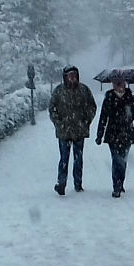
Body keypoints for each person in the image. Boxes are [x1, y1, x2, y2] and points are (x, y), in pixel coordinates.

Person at [48, 65, 97, 195]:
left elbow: (92, 107)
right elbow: (52, 108)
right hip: (64, 132)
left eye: (74, 75)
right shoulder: (59, 91)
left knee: (78, 159)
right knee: (64, 159)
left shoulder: (84, 90)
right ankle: (61, 184)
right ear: (65, 77)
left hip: (79, 131)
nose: (72, 78)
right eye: (70, 76)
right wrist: (58, 123)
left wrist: (86, 122)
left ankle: (78, 184)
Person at [95, 79, 134, 198]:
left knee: (123, 161)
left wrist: (130, 108)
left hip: (127, 133)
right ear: (113, 85)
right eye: (117, 83)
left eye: (122, 83)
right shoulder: (109, 98)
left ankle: (121, 182)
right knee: (116, 160)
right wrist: (99, 135)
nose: (120, 86)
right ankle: (116, 185)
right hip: (113, 134)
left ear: (125, 84)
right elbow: (103, 117)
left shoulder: (131, 98)